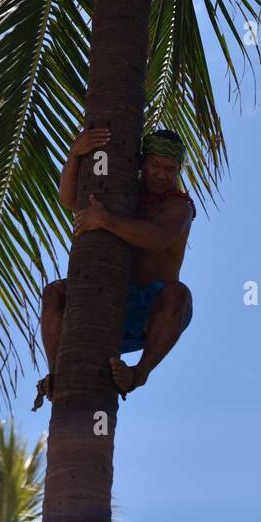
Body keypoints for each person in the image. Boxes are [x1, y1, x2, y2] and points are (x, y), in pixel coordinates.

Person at [35, 127, 195, 406]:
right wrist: (75, 154)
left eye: (170, 169)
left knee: (180, 294)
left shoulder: (179, 207)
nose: (161, 174)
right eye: (155, 164)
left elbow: (157, 238)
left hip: (151, 314)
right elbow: (71, 200)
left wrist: (106, 220)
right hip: (106, 303)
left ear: (178, 171)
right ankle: (56, 371)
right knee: (53, 293)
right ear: (143, 161)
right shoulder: (123, 188)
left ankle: (138, 375)